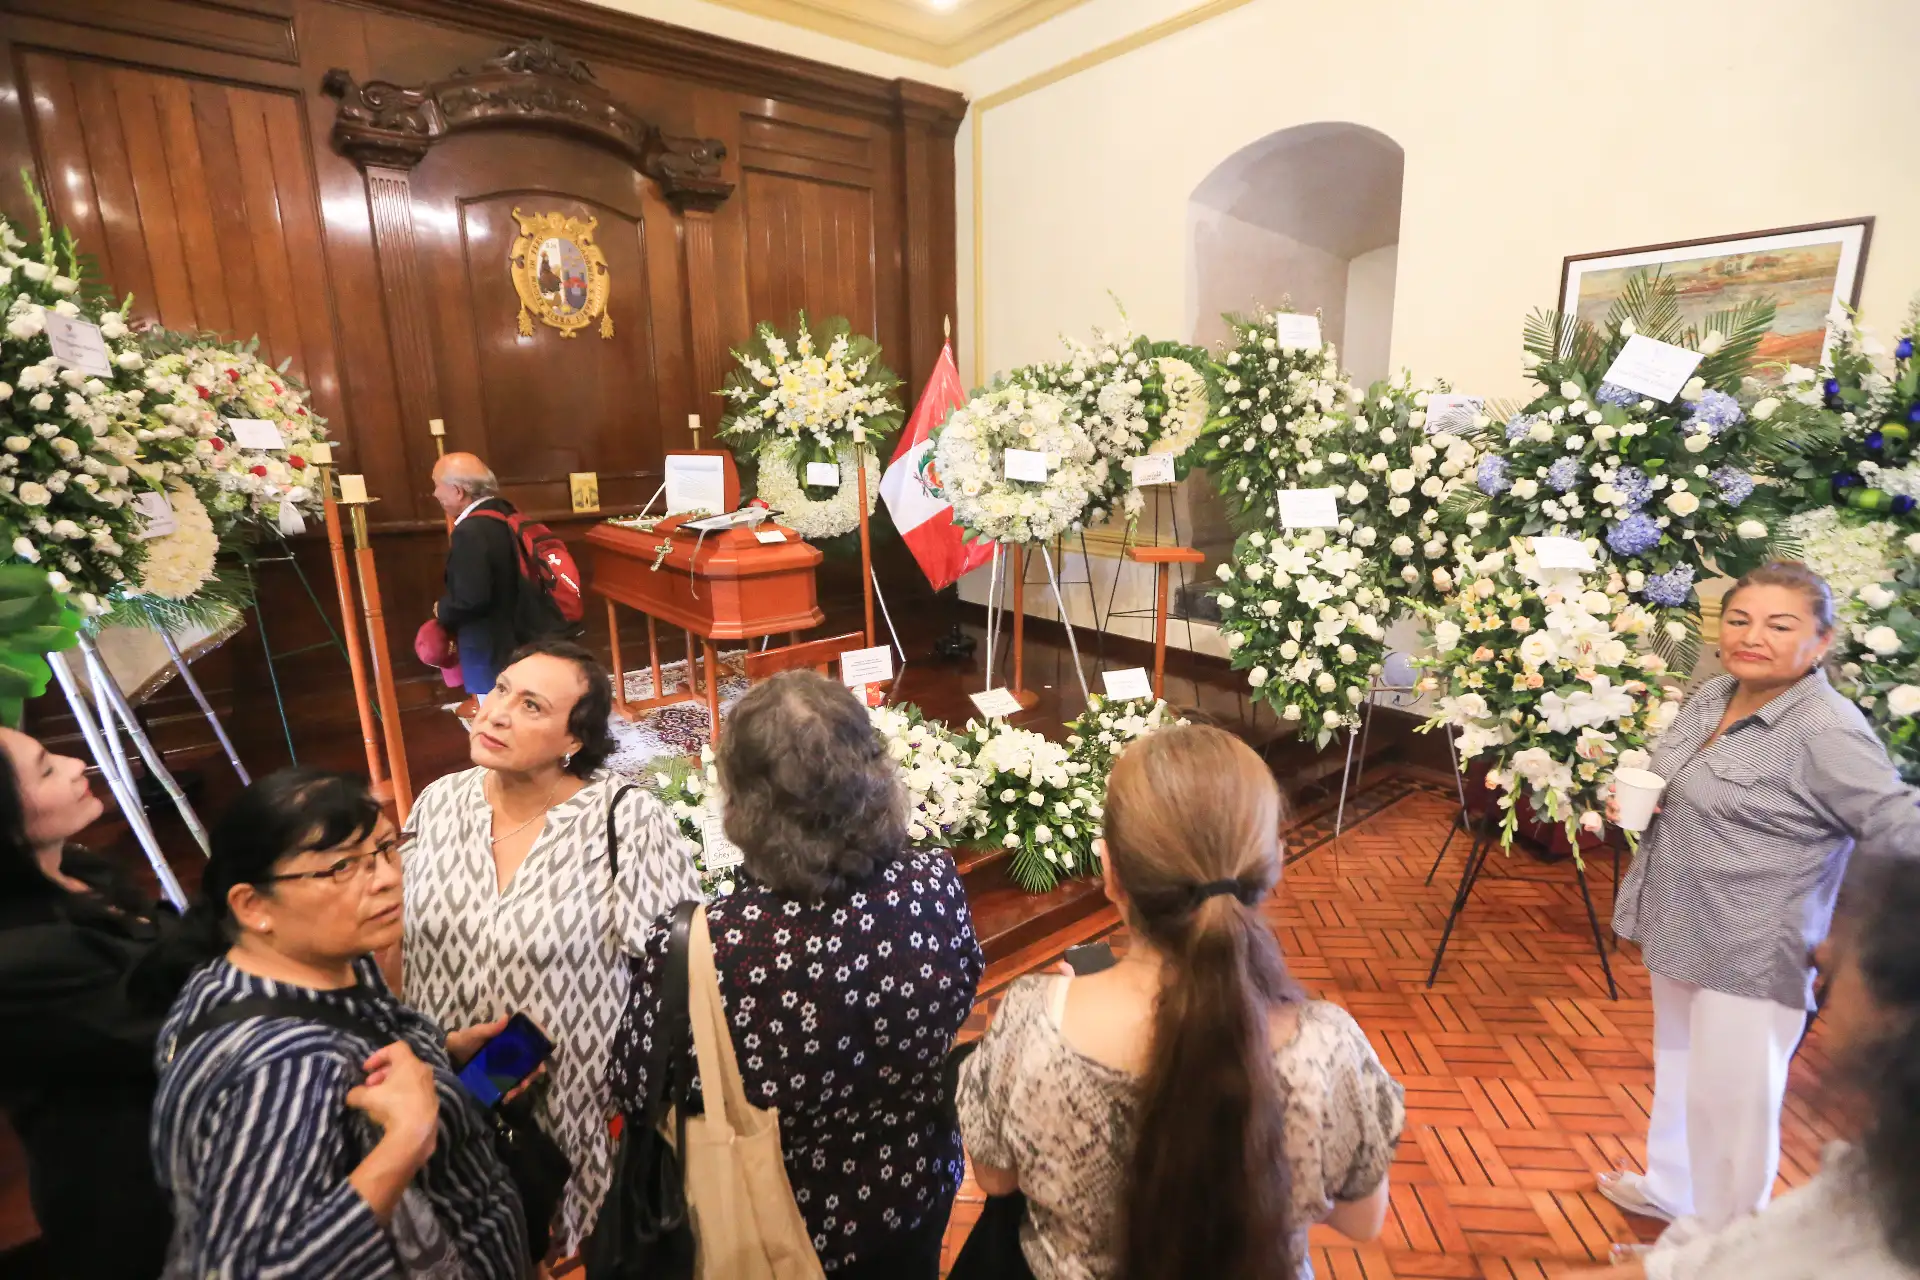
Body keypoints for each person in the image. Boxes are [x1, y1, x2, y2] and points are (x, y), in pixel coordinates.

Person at [955, 723, 1403, 1280]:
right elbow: (1363, 1221)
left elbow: (997, 1180)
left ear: (1111, 871)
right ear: (1274, 866)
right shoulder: (1328, 1048)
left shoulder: (1032, 1020)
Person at [609, 670, 985, 1278]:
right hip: (915, 1191)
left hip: (774, 1229)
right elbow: (962, 989)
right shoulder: (933, 884)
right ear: (873, 773)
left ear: (741, 800)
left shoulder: (709, 944)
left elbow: (638, 1085)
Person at [1605, 561, 1920, 1242]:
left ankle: (1722, 1241)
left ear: (1822, 642)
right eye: (1740, 620)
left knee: (1736, 1105)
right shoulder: (1716, 691)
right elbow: (1676, 777)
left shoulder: (1824, 729)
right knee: (1683, 1064)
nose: (1754, 637)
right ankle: (1671, 1188)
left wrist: (1860, 928)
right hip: (1682, 919)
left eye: (1781, 625)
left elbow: (1901, 826)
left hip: (1754, 944)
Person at [149, 768, 526, 1279]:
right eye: (343, 866)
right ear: (253, 905)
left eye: (388, 849)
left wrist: (449, 1055)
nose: (390, 876)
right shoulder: (284, 1066)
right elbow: (248, 1268)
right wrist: (404, 1144)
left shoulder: (322, 960)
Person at [402, 637, 703, 1255]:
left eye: (532, 705)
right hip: (445, 1097)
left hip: (569, 1112)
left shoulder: (625, 821)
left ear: (575, 740)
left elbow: (678, 973)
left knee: (551, 1244)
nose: (497, 712)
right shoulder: (439, 803)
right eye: (502, 689)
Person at [1571, 855, 1920, 1279]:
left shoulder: (1865, 1205)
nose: (1824, 952)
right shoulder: (1871, 1174)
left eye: (1852, 941)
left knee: (1734, 1113)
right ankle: (1673, 1195)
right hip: (1694, 934)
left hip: (1752, 960)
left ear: (1894, 1010)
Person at [0, 726, 174, 1278]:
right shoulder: (22, 954)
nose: (79, 765)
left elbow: (176, 948)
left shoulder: (75, 869)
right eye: (48, 769)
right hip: (143, 1200)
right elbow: (177, 1027)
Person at [433, 451, 562, 699]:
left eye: (437, 485)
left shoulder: (470, 532)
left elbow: (472, 599)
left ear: (458, 491)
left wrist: (442, 609)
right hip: (527, 639)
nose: (435, 494)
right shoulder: (508, 514)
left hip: (492, 653)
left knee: (501, 724)